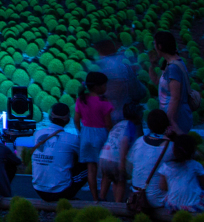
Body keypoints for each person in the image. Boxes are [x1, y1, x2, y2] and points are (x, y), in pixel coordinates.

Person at [31, 103, 86, 202]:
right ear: (68, 119)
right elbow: (84, 155)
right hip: (60, 191)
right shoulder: (72, 139)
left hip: (38, 189)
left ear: (50, 116)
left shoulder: (37, 134)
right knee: (89, 166)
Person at [76, 71, 114, 202]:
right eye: (104, 85)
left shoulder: (81, 99)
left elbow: (76, 119)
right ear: (97, 87)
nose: (106, 87)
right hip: (101, 134)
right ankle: (103, 196)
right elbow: (108, 123)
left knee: (91, 168)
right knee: (105, 168)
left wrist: (81, 131)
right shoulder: (104, 102)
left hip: (86, 134)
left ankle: (95, 198)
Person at [150, 30, 195, 135]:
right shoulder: (169, 64)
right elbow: (156, 81)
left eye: (154, 44)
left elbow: (175, 97)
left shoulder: (173, 68)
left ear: (160, 46)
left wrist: (169, 121)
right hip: (173, 116)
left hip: (176, 118)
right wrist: (152, 65)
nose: (154, 47)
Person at [128, 108, 174, 210]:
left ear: (149, 125)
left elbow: (129, 169)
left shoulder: (139, 142)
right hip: (157, 199)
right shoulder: (171, 147)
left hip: (136, 195)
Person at [99, 102, 144, 202]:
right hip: (115, 159)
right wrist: (122, 163)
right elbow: (124, 141)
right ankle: (117, 206)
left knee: (108, 177)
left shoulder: (119, 124)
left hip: (104, 156)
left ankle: (100, 200)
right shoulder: (131, 126)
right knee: (120, 181)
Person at [94, 39, 147, 123]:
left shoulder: (99, 74)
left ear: (100, 53)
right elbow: (139, 92)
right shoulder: (125, 69)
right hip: (126, 116)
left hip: (108, 119)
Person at [160, 134, 204, 212]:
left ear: (174, 150)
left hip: (173, 206)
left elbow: (163, 187)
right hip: (194, 206)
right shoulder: (195, 165)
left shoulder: (165, 166)